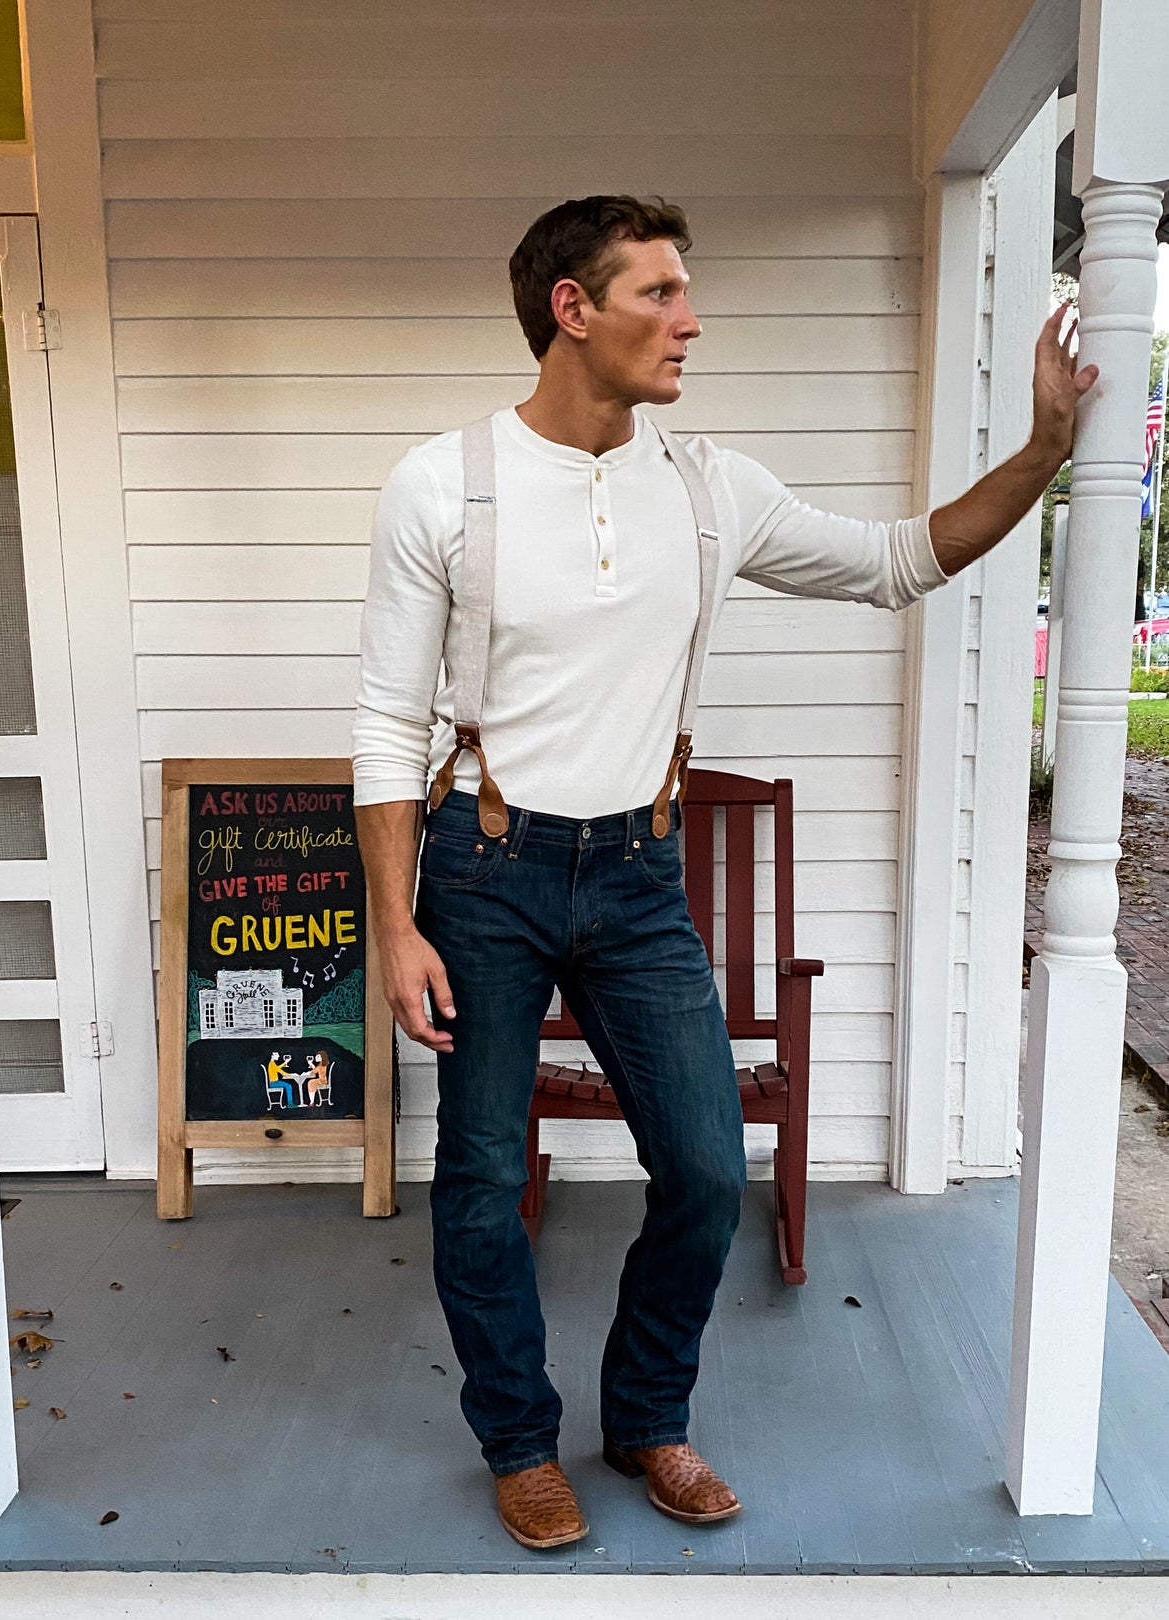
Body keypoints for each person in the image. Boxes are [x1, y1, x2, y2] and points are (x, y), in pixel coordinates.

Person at [351, 194, 1095, 1551]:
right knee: (475, 1178)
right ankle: (518, 1442)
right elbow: (388, 730)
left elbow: (892, 563)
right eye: (658, 294)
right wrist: (395, 925)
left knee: (700, 1169)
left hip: (635, 871)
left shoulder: (706, 487)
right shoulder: (442, 484)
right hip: (486, 870)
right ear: (570, 309)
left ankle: (644, 1419)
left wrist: (1042, 450)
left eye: (684, 292)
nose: (689, 320)